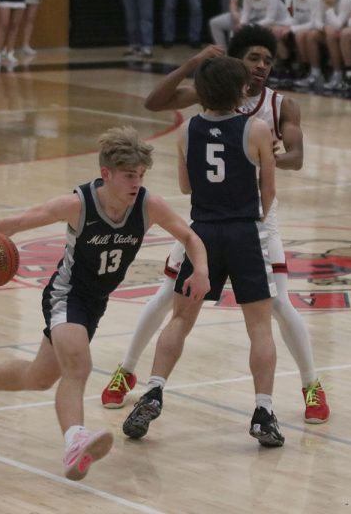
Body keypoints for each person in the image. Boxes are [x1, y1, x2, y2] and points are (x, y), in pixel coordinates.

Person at [0, 127, 210, 481]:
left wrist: (202, 269)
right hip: (66, 295)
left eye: (141, 175)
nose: (136, 183)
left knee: (39, 378)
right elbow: (22, 221)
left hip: (95, 303)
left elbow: (190, 236)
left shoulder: (148, 205)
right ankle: (74, 441)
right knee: (79, 367)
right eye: (129, 176)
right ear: (106, 175)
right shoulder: (78, 204)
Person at [101, 25, 330, 425]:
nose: (261, 66)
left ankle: (311, 385)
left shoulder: (280, 105)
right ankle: (127, 369)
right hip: (216, 216)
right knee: (167, 296)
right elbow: (154, 102)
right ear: (232, 65)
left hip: (255, 218)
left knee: (278, 303)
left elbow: (297, 157)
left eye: (267, 60)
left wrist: (273, 157)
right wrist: (194, 62)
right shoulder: (212, 93)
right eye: (253, 58)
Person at [121, 56, 284, 447]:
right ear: (242, 89)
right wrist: (255, 216)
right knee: (259, 326)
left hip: (203, 233)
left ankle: (155, 390)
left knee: (180, 318)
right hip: (244, 231)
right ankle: (263, 411)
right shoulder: (256, 129)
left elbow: (185, 187)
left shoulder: (187, 130)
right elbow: (269, 191)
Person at [320, 0, 351, 91]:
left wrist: (329, 8)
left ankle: (347, 73)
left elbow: (338, 25)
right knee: (315, 34)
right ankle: (334, 73)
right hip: (338, 31)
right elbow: (315, 20)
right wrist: (324, 27)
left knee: (339, 33)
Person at [289, 0, 326, 88]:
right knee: (298, 35)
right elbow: (295, 19)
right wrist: (288, 28)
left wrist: (292, 29)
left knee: (303, 35)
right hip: (306, 28)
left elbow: (314, 23)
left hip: (323, 27)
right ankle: (308, 70)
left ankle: (315, 72)